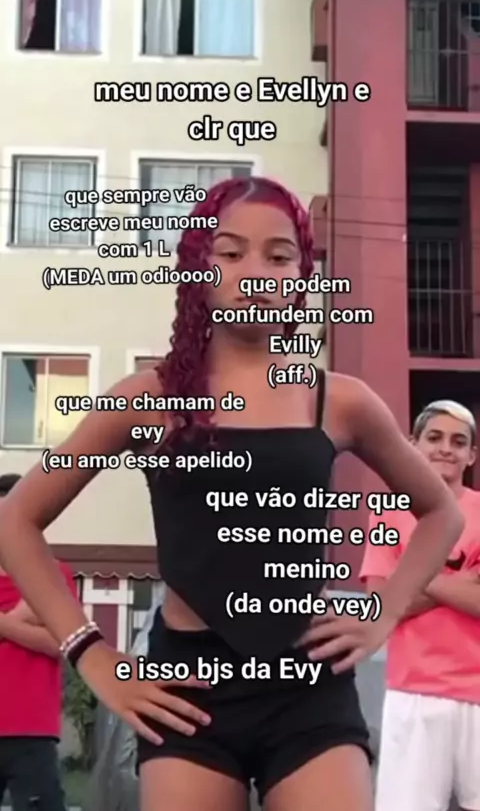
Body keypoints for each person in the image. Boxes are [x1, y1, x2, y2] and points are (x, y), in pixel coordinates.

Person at [0, 177, 465, 811]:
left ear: (301, 277)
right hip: (187, 689)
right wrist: (91, 653)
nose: (255, 272)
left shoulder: (339, 400)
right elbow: (17, 519)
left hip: (306, 681)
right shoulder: (147, 400)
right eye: (230, 251)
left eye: (279, 256)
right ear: (199, 268)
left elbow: (440, 512)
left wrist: (382, 611)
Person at [360, 400, 480, 811]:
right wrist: (458, 582)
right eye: (435, 437)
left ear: (471, 455)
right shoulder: (387, 515)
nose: (446, 448)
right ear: (413, 444)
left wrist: (410, 575)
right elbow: (380, 605)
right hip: (414, 692)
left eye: (458, 442)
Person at [0, 472, 76, 811]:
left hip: (31, 728)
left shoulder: (53, 575)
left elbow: (63, 644)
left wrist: (4, 624)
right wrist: (22, 618)